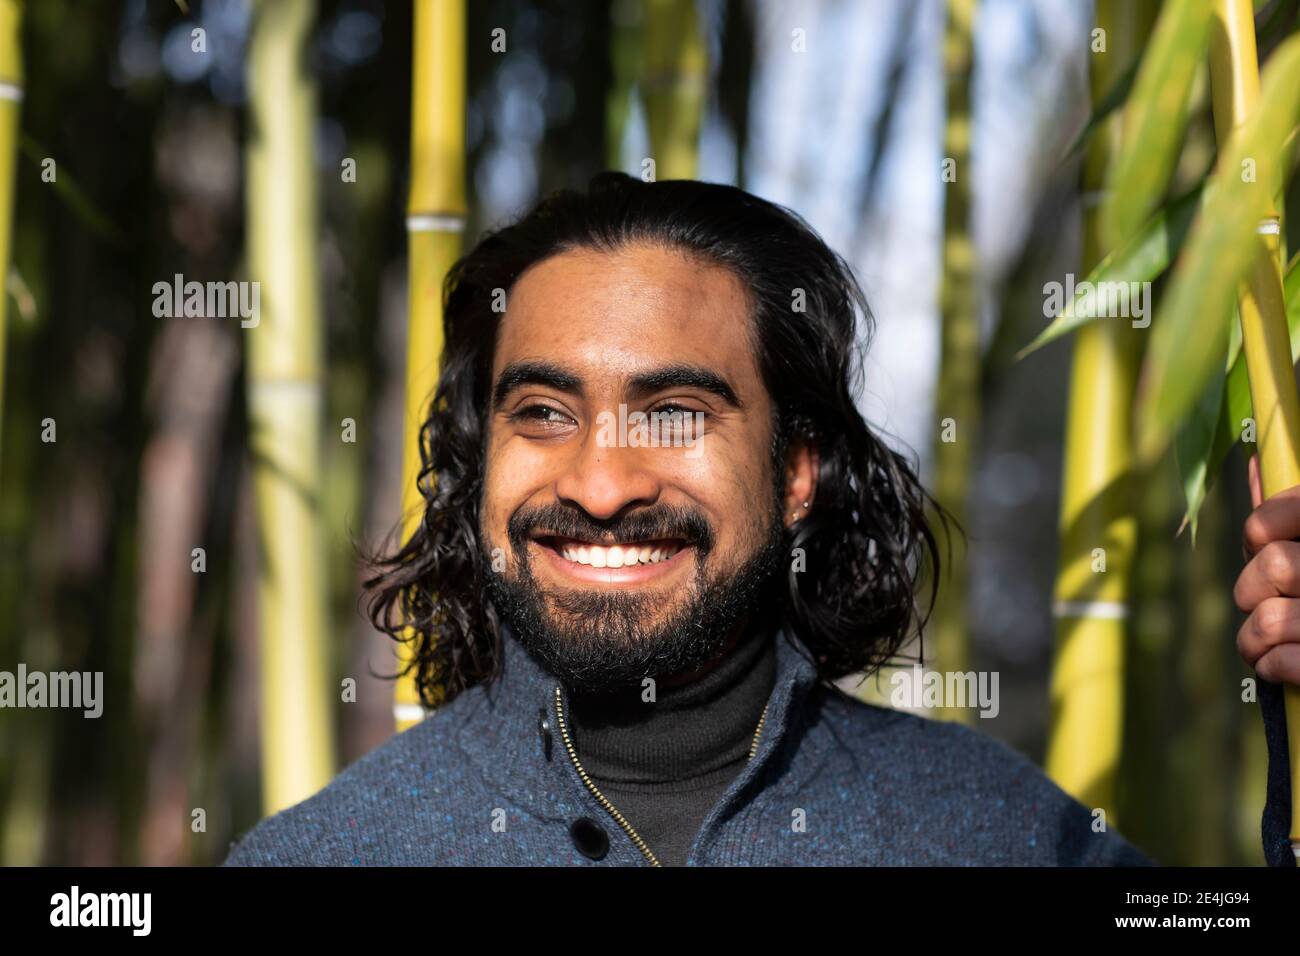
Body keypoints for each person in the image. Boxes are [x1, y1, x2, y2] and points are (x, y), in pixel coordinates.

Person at [227, 171, 1263, 867]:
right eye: (541, 412)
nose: (598, 484)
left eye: (674, 413)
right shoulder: (323, 854)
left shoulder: (998, 832)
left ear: (797, 469)